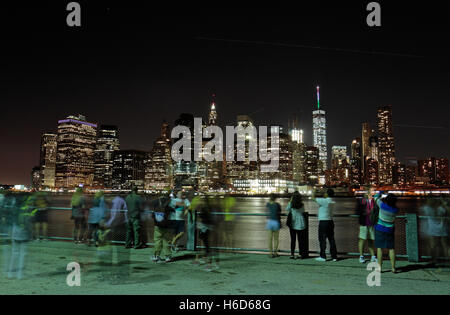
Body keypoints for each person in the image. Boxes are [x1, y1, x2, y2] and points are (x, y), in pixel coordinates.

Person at [8, 193, 37, 279]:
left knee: (14, 253)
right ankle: (19, 274)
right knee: (23, 254)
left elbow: (12, 220)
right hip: (23, 233)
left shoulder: (15, 208)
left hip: (15, 231)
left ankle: (10, 273)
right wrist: (31, 234)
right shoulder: (27, 209)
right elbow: (28, 222)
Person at [374, 192, 399, 273]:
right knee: (391, 249)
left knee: (379, 249)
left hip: (380, 229)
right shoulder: (395, 210)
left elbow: (375, 198)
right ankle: (393, 268)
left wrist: (380, 193)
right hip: (390, 230)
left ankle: (380, 268)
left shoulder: (382, 205)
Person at [312, 188, 337, 262]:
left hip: (323, 222)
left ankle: (323, 256)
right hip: (330, 221)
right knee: (331, 239)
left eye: (325, 193)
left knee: (322, 239)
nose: (324, 194)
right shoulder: (332, 201)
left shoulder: (324, 201)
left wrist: (314, 192)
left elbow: (313, 198)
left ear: (327, 194)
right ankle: (334, 256)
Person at [421, 197, 448, 264]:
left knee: (433, 246)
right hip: (442, 229)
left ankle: (434, 260)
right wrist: (443, 203)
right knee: (445, 246)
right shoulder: (441, 209)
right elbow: (447, 211)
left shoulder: (427, 209)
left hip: (433, 230)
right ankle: (447, 260)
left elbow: (421, 211)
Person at [150, 193, 174, 263]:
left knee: (157, 241)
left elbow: (152, 215)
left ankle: (156, 256)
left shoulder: (155, 204)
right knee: (166, 241)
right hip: (167, 226)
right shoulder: (169, 205)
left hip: (157, 226)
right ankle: (167, 256)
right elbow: (173, 211)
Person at [355, 187, 377, 263]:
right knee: (362, 239)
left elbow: (376, 211)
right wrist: (364, 212)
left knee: (371, 240)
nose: (374, 191)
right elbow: (357, 211)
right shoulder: (362, 200)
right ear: (368, 192)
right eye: (373, 190)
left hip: (371, 223)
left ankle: (373, 256)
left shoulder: (374, 201)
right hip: (364, 223)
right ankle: (361, 256)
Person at [286, 191, 307, 259]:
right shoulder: (302, 204)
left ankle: (292, 254)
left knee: (293, 239)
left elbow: (287, 209)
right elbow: (303, 211)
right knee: (300, 240)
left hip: (293, 223)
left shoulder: (291, 204)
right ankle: (301, 254)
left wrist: (290, 201)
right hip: (300, 223)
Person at [266, 194, 281, 258]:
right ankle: (275, 252)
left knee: (269, 239)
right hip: (276, 222)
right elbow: (279, 212)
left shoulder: (268, 204)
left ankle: (270, 253)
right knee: (276, 239)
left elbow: (267, 213)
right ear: (275, 198)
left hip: (269, 222)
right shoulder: (277, 205)